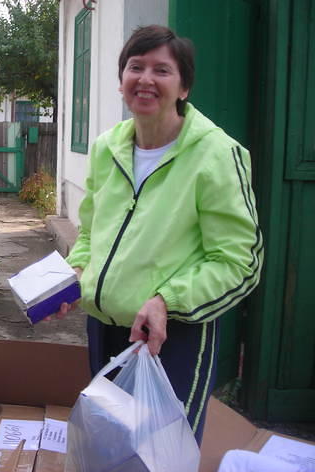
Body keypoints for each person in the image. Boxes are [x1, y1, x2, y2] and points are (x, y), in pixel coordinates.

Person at [57, 25, 263, 444]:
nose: (146, 79)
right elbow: (92, 230)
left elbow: (240, 261)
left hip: (172, 333)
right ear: (121, 82)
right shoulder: (106, 147)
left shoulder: (218, 154)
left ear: (183, 87)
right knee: (110, 444)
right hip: (104, 324)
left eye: (162, 70)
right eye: (136, 67)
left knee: (161, 453)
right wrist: (76, 271)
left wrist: (167, 301)